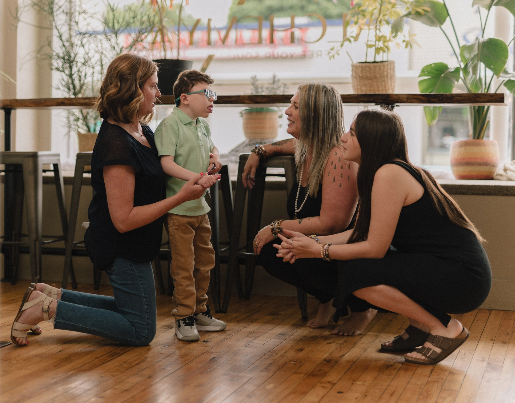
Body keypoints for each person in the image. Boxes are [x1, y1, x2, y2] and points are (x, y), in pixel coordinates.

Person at [10, 54, 218, 347]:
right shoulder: (116, 143)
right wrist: (181, 197)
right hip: (120, 245)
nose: (159, 93)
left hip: (137, 243)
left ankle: (48, 295)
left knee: (135, 315)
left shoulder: (142, 130)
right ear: (133, 88)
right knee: (140, 330)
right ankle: (48, 308)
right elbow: (123, 220)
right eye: (153, 86)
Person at [276, 109, 492, 365]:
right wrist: (309, 242)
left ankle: (444, 328)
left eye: (352, 133)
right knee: (358, 264)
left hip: (464, 278)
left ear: (371, 141)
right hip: (447, 268)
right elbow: (358, 234)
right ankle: (420, 328)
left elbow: (375, 248)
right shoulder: (382, 172)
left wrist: (318, 251)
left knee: (358, 272)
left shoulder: (390, 174)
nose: (343, 138)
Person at [242, 83, 376, 335]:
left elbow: (331, 224)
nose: (286, 112)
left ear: (315, 114)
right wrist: (260, 150)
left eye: (295, 106)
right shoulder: (308, 146)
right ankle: (327, 299)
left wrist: (276, 227)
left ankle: (363, 309)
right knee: (271, 251)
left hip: (346, 247)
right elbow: (284, 145)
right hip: (319, 243)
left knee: (289, 247)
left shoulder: (338, 156)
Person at [154, 69, 226, 342]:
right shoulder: (170, 125)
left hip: (200, 209)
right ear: (184, 97)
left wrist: (215, 157)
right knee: (184, 267)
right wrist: (197, 178)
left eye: (213, 94)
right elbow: (166, 163)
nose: (212, 100)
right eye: (207, 94)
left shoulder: (201, 125)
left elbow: (212, 147)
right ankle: (184, 315)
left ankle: (199, 311)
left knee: (205, 263)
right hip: (179, 211)